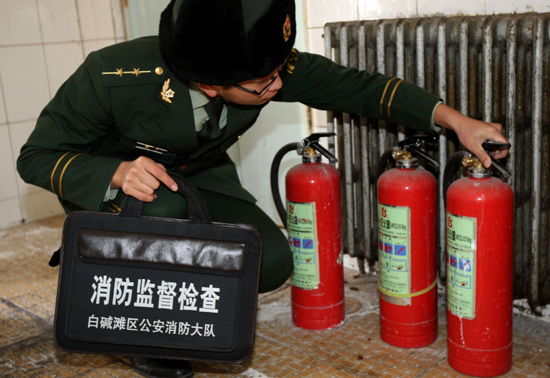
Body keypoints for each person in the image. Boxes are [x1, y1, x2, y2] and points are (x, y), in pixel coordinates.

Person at [17, 0, 509, 377]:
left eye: (279, 74)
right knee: (162, 212)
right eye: (263, 83)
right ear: (210, 84)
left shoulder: (256, 67)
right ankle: (138, 327)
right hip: (115, 183)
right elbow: (34, 157)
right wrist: (116, 173)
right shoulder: (112, 77)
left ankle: (179, 299)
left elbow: (358, 87)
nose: (276, 86)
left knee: (269, 260)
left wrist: (457, 121)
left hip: (199, 175)